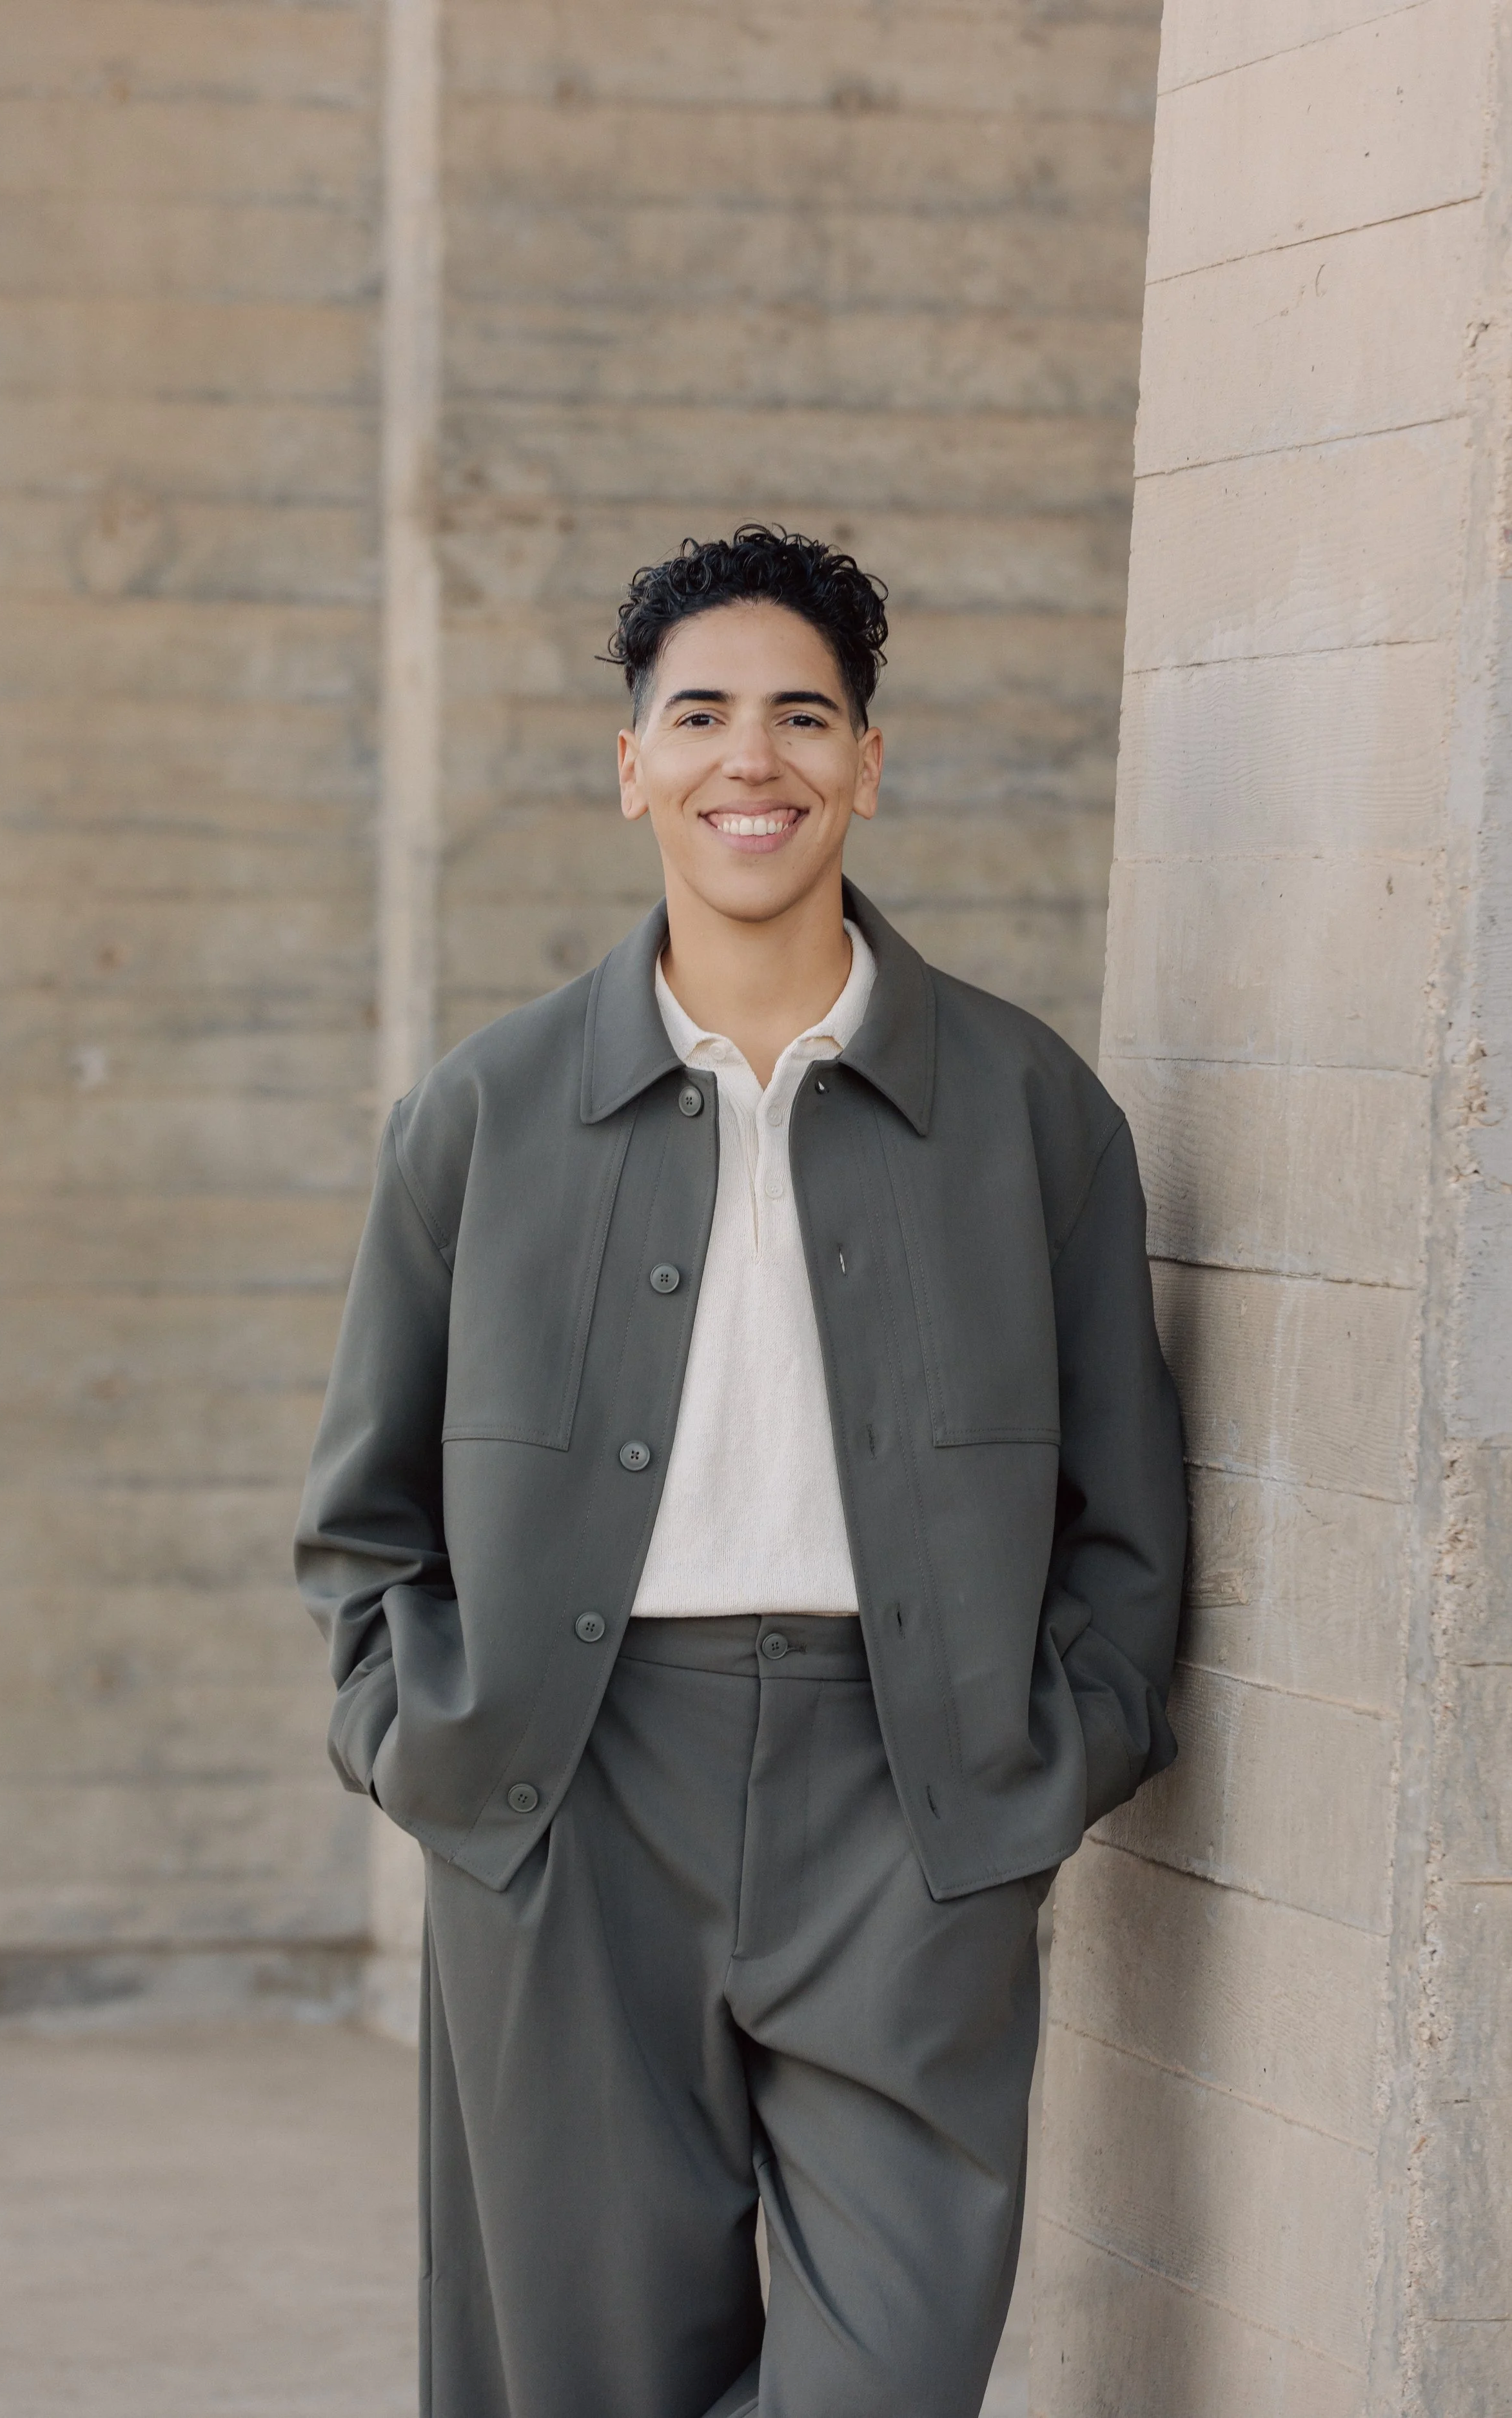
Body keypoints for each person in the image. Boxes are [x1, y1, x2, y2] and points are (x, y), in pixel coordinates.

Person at [296, 524, 1186, 2418]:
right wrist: (422, 1740)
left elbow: (1124, 1516)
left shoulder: (1030, 1115)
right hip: (567, 1794)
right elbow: (362, 1509)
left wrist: (1055, 1755)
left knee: (888, 2363)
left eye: (802, 713)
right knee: (581, 2373)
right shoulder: (485, 1113)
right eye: (697, 714)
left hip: (916, 1804)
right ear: (631, 765)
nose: (748, 758)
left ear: (869, 760)